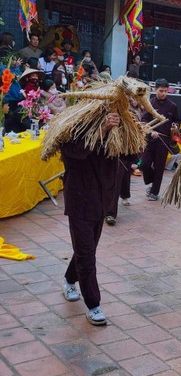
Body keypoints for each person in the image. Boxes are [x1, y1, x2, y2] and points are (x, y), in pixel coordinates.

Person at [61, 112, 122, 325]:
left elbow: (129, 157)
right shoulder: (73, 131)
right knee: (87, 254)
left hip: (100, 202)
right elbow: (74, 153)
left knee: (87, 249)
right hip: (79, 201)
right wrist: (102, 129)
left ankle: (69, 280)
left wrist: (138, 135)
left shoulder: (112, 135)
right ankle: (93, 305)